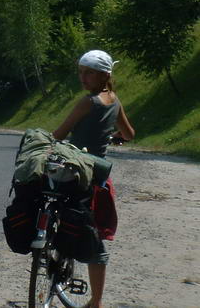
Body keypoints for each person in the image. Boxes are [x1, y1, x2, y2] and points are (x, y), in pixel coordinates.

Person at [53, 49, 136, 308]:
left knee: (86, 234)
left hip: (77, 175)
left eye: (89, 72)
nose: (83, 76)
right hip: (100, 179)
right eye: (81, 71)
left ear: (104, 75)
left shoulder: (87, 103)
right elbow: (130, 134)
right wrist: (113, 137)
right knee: (94, 233)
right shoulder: (115, 100)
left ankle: (96, 302)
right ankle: (96, 299)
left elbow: (59, 134)